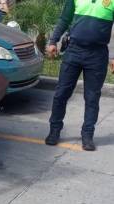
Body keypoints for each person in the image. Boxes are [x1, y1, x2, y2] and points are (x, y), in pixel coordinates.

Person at [45, 0, 114, 151]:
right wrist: (52, 41)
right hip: (74, 51)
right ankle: (54, 130)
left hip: (98, 55)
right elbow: (64, 19)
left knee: (92, 98)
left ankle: (87, 135)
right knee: (61, 93)